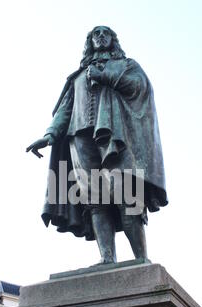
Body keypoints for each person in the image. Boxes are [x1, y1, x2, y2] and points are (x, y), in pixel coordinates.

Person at [27, 26, 168, 264]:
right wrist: (50, 134)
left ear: (113, 40)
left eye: (106, 33)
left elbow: (141, 88)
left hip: (117, 138)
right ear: (90, 42)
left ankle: (141, 260)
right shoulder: (78, 76)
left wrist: (106, 76)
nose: (100, 36)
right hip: (79, 138)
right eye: (96, 34)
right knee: (95, 199)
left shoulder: (127, 65)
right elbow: (66, 109)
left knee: (127, 195)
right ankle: (107, 258)